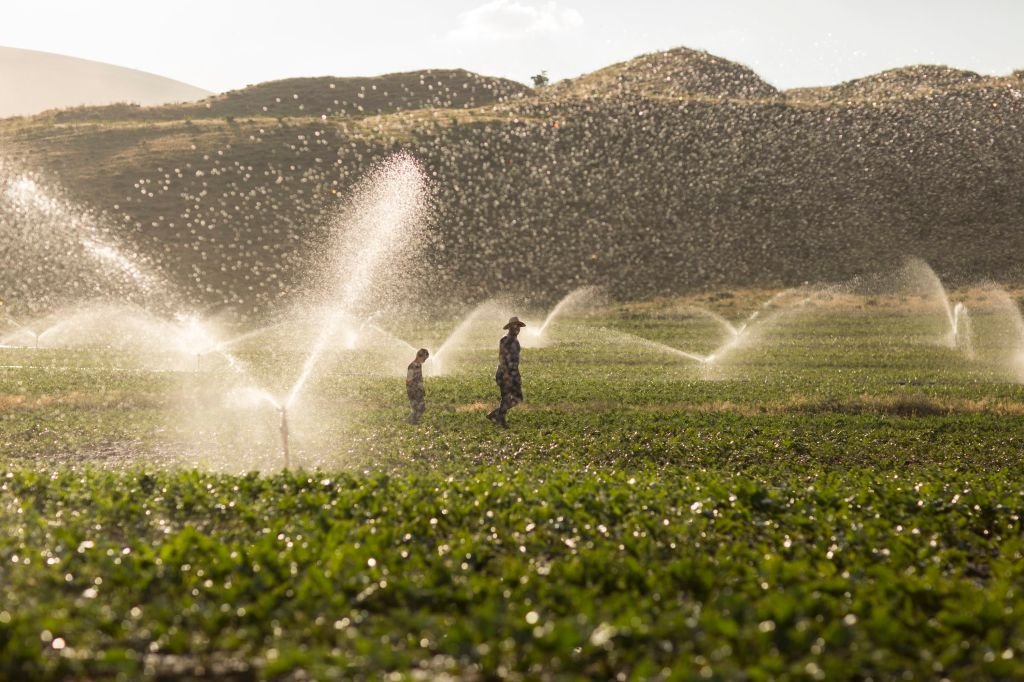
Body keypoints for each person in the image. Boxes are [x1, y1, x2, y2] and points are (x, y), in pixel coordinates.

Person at [488, 316, 526, 428]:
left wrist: (516, 375)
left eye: (518, 327)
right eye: (515, 326)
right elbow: (502, 358)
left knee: (517, 398)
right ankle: (500, 418)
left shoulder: (515, 341)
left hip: (513, 373)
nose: (517, 329)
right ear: (510, 328)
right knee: (507, 397)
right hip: (505, 373)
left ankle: (497, 415)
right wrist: (506, 375)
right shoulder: (505, 340)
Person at [406, 348, 429, 424]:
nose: (425, 361)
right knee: (416, 408)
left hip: (418, 391)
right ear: (419, 356)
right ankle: (411, 422)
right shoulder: (412, 366)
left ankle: (414, 421)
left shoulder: (418, 365)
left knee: (421, 408)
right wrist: (414, 390)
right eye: (424, 358)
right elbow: (409, 380)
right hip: (413, 391)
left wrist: (422, 389)